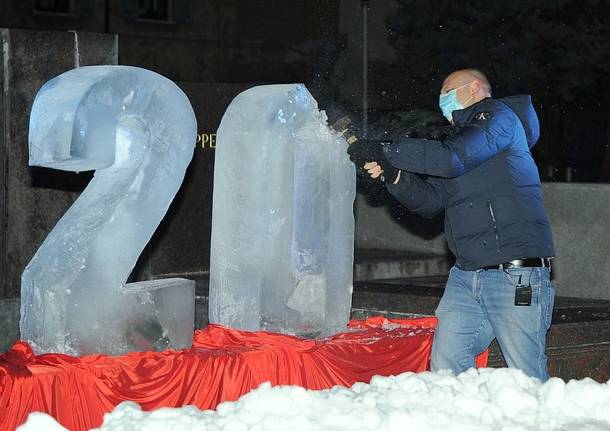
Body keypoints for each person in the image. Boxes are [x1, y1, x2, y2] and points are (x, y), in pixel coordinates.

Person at [347, 69, 556, 381]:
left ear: (474, 88)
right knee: (447, 373)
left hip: (514, 274)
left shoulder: (499, 118)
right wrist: (392, 173)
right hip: (465, 276)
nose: (441, 99)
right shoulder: (456, 142)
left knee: (526, 380)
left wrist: (385, 148)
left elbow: (453, 158)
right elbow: (430, 201)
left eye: (447, 90)